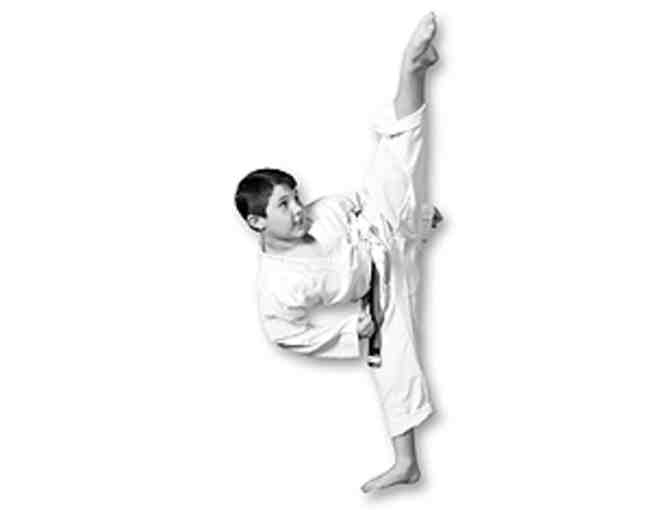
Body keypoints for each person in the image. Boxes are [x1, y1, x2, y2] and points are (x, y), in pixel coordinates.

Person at [234, 12, 442, 493]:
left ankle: (413, 68)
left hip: (382, 223)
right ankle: (406, 463)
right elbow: (285, 335)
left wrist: (417, 216)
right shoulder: (276, 286)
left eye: (296, 197)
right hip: (379, 290)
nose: (298, 210)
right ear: (257, 221)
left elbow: (360, 201)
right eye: (284, 205)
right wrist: (352, 330)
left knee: (395, 154)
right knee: (391, 366)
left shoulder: (321, 212)